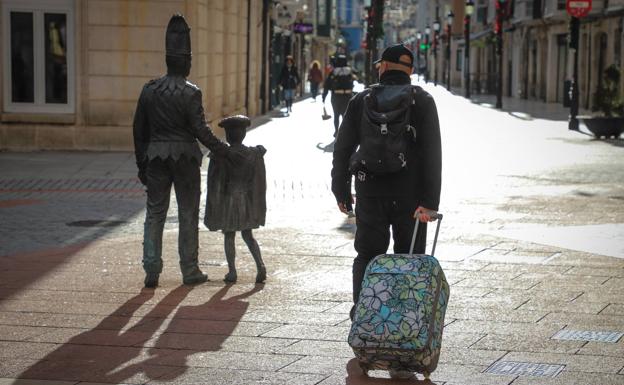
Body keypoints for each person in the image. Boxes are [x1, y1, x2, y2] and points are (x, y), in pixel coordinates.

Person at [330, 43, 442, 319]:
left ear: (385, 67)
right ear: (411, 71)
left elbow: (342, 148)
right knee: (410, 259)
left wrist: (340, 189)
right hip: (411, 196)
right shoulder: (423, 101)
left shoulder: (362, 99)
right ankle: (405, 320)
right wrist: (429, 202)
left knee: (367, 255)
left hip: (370, 191)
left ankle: (364, 316)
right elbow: (432, 154)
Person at [133, 14, 232, 288]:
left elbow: (138, 131)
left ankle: (151, 268)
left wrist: (141, 163)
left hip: (155, 158)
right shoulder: (191, 92)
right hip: (186, 159)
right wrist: (222, 150)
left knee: (155, 212)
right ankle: (189, 269)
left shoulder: (149, 90)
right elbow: (201, 130)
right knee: (188, 213)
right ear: (186, 62)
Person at [204, 115, 267, 284]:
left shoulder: (222, 155)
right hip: (246, 201)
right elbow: (258, 181)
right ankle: (260, 265)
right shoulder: (254, 154)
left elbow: (215, 181)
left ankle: (232, 271)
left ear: (228, 135)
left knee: (229, 235)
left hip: (229, 200)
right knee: (248, 235)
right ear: (244, 134)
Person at [322, 54, 356, 137]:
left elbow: (327, 85)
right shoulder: (349, 72)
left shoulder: (334, 72)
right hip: (347, 96)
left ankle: (336, 131)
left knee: (336, 115)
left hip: (336, 96)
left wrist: (324, 96)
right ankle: (344, 131)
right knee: (345, 115)